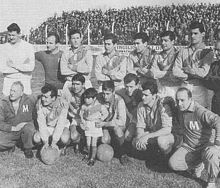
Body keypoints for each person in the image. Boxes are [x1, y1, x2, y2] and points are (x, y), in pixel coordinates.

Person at [169, 87, 220, 188]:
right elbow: (171, 104)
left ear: (190, 99)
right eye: (177, 100)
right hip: (190, 146)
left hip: (205, 146)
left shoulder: (200, 111)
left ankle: (211, 180)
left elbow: (218, 121)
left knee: (212, 154)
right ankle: (197, 165)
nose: (179, 103)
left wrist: (217, 144)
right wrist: (167, 100)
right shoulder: (180, 108)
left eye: (182, 100)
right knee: (173, 163)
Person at [172, 21, 214, 108]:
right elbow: (175, 71)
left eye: (195, 33)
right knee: (184, 116)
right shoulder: (183, 51)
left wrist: (189, 70)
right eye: (191, 33)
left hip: (200, 88)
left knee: (200, 116)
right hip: (185, 87)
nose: (192, 36)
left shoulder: (208, 52)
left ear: (202, 34)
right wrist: (191, 75)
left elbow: (204, 73)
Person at [134, 79, 177, 156]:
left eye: (146, 95)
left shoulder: (163, 105)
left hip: (167, 134)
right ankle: (152, 153)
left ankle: (167, 156)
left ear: (154, 96)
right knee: (135, 142)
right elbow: (140, 126)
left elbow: (167, 129)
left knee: (161, 141)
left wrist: (147, 136)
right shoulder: (141, 105)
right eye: (142, 94)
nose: (143, 97)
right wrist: (140, 138)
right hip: (154, 132)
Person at [0, 81, 36, 158]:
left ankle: (27, 148)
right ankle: (12, 144)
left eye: (15, 91)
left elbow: (41, 103)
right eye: (11, 90)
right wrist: (13, 128)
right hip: (11, 131)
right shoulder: (4, 103)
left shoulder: (30, 100)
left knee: (29, 129)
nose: (12, 93)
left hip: (25, 130)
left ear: (21, 93)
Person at [95, 80, 127, 164]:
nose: (105, 96)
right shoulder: (99, 98)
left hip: (115, 125)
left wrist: (106, 123)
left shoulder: (119, 100)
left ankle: (122, 153)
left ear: (113, 92)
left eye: (107, 94)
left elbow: (122, 121)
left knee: (117, 130)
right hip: (104, 125)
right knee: (105, 140)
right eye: (103, 93)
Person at [33, 84, 70, 153]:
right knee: (36, 138)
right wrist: (45, 142)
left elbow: (60, 124)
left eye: (46, 97)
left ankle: (61, 146)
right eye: (42, 96)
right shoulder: (39, 104)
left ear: (53, 98)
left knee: (64, 138)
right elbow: (41, 124)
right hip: (48, 126)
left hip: (60, 126)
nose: (43, 99)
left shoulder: (63, 104)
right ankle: (46, 144)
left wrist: (54, 141)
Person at [0, 23, 35, 96]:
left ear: (19, 34)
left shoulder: (28, 47)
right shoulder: (3, 48)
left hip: (25, 82)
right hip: (8, 83)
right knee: (7, 106)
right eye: (9, 35)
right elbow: (3, 68)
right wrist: (23, 67)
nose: (11, 37)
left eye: (13, 35)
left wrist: (13, 65)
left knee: (25, 106)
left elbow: (30, 67)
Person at [116, 73, 142, 161]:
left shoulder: (142, 94)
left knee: (128, 135)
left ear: (138, 85)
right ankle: (122, 152)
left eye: (131, 86)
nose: (129, 89)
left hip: (138, 120)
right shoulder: (121, 92)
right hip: (127, 118)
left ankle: (130, 152)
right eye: (127, 86)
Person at [80, 88, 108, 166]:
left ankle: (92, 158)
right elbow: (81, 115)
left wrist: (101, 119)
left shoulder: (99, 106)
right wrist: (83, 123)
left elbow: (106, 113)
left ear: (94, 98)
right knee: (88, 142)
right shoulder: (84, 106)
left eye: (89, 98)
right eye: (85, 98)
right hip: (88, 125)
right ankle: (89, 154)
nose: (87, 100)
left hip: (95, 125)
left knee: (93, 143)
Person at [150, 31, 180, 99]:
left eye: (166, 41)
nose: (163, 43)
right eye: (161, 41)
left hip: (175, 90)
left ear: (173, 41)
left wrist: (160, 73)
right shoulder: (157, 56)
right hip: (161, 90)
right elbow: (153, 73)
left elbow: (176, 75)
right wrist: (168, 72)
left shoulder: (178, 55)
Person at [62, 74, 86, 152]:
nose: (75, 86)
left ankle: (80, 142)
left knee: (74, 136)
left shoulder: (87, 94)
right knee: (67, 137)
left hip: (83, 120)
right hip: (71, 119)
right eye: (73, 84)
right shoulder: (68, 91)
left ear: (83, 85)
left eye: (78, 84)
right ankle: (68, 142)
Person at [204, 29, 220, 115]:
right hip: (217, 105)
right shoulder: (214, 65)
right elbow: (206, 81)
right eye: (217, 50)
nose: (217, 53)